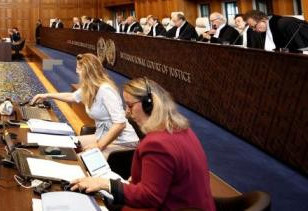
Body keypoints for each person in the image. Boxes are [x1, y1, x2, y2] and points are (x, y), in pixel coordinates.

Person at [70, 78, 214, 211]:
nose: (127, 112)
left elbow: (150, 197)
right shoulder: (183, 130)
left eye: (130, 106)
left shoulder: (157, 144)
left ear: (149, 105)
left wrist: (105, 184)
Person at [32, 53, 139, 155]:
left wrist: (99, 146)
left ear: (87, 72)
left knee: (83, 158)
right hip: (102, 136)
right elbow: (72, 96)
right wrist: (46, 95)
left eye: (78, 69)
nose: (76, 71)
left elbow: (120, 124)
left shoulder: (105, 90)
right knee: (67, 145)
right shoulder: (90, 88)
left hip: (124, 142)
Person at [244, 10, 308, 52]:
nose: (253, 30)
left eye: (254, 26)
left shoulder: (285, 23)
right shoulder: (264, 31)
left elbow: (302, 46)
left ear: (263, 19)